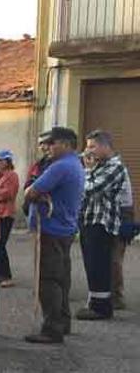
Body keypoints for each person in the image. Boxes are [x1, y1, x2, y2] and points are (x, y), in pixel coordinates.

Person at [23, 127, 85, 344]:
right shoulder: (75, 163)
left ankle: (51, 329)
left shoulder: (60, 167)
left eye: (52, 143)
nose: (47, 148)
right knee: (61, 278)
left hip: (51, 229)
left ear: (66, 144)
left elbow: (31, 191)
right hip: (64, 228)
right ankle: (63, 321)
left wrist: (32, 194)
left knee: (48, 280)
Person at [77, 130, 129, 321]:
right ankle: (95, 303)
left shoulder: (115, 167)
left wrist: (87, 170)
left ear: (105, 146)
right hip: (89, 220)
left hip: (102, 222)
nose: (86, 151)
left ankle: (101, 308)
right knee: (91, 264)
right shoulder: (99, 165)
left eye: (92, 146)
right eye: (86, 146)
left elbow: (91, 189)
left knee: (99, 265)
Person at [0, 150, 20, 288]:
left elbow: (8, 193)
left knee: (0, 245)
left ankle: (6, 275)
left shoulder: (12, 176)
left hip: (6, 214)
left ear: (7, 162)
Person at [112, 171, 134, 310]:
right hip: (118, 214)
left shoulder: (116, 169)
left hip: (121, 215)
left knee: (115, 258)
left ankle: (116, 296)